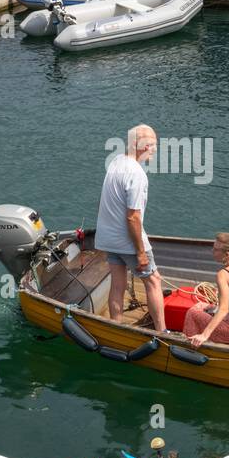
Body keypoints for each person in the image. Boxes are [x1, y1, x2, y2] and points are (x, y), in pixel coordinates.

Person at [96, 125, 166, 332]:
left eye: (156, 144)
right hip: (128, 242)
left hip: (108, 239)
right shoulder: (137, 174)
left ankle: (116, 326)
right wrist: (141, 253)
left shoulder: (116, 162)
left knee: (117, 284)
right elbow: (133, 217)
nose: (154, 149)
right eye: (150, 144)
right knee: (153, 281)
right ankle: (163, 332)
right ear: (137, 144)